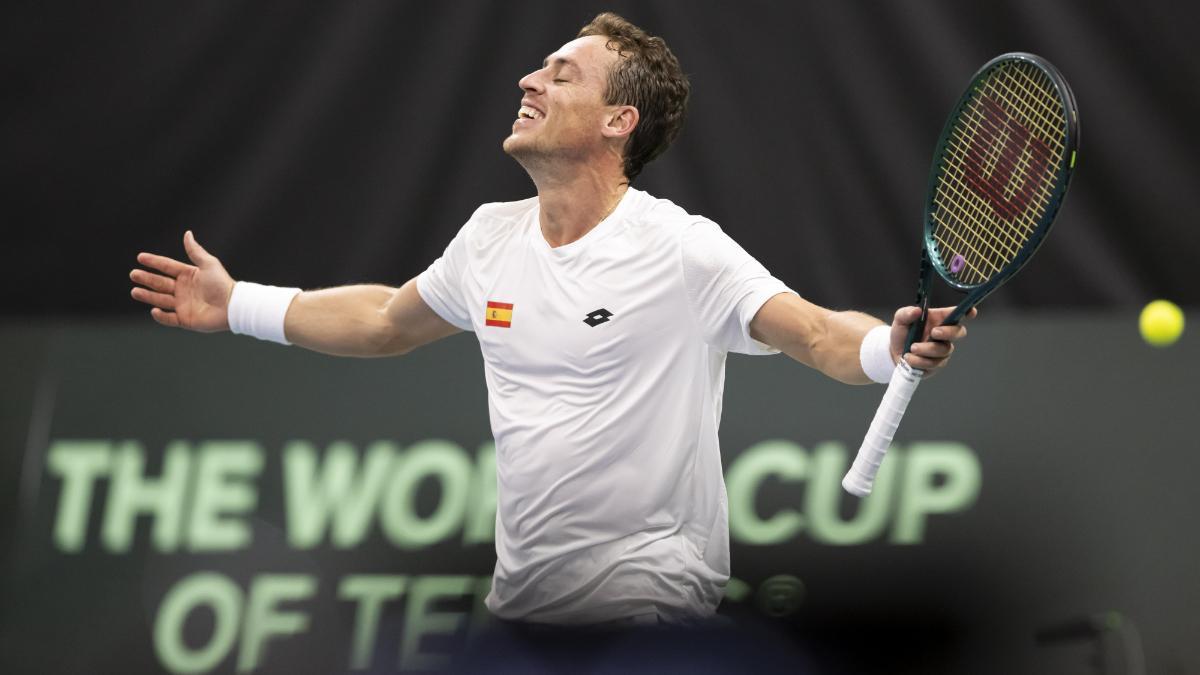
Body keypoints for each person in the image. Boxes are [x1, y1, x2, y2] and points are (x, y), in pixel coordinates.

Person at [130, 13, 972, 628]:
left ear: (619, 122)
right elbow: (387, 320)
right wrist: (239, 303)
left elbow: (818, 334)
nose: (531, 80)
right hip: (523, 608)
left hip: (652, 600)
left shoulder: (679, 249)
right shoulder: (488, 238)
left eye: (563, 73)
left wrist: (884, 346)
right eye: (539, 67)